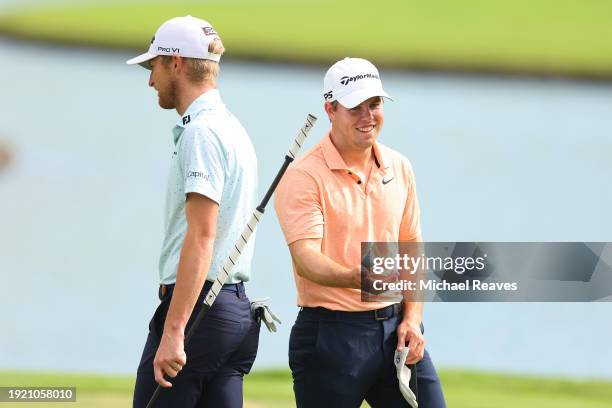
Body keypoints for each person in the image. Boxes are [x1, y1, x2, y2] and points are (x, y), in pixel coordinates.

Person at [274, 57, 446, 407]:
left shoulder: (399, 166)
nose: (368, 116)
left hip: (395, 330)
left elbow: (411, 245)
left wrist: (413, 319)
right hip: (331, 337)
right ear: (331, 109)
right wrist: (361, 277)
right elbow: (308, 260)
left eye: (375, 104)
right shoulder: (304, 176)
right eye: (355, 107)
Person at [126, 15, 260, 407]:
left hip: (199, 312)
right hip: (234, 310)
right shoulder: (232, 127)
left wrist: (174, 330)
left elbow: (202, 235)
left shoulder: (201, 133)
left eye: (153, 67)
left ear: (176, 64)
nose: (150, 80)